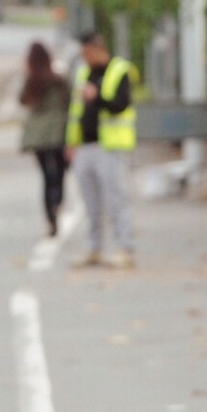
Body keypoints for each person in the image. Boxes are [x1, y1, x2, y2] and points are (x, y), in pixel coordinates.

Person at [66, 30, 137, 270]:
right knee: (90, 201)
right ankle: (93, 247)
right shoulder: (84, 72)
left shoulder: (119, 71)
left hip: (110, 146)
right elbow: (75, 112)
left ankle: (124, 247)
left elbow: (121, 104)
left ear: (98, 48)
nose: (84, 58)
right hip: (85, 145)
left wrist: (97, 98)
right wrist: (71, 142)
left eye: (87, 53)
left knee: (115, 198)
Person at [18, 41, 72, 237]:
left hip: (38, 135)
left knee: (46, 177)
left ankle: (50, 218)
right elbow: (69, 101)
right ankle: (57, 202)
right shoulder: (59, 80)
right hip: (58, 131)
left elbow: (22, 101)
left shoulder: (31, 81)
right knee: (58, 173)